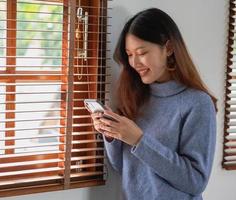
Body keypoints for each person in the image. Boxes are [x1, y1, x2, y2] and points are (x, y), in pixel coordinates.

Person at [91, 8, 217, 200]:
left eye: (142, 53)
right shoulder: (136, 98)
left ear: (169, 48)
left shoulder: (197, 103)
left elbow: (196, 181)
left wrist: (139, 141)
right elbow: (124, 169)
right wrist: (112, 134)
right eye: (129, 54)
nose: (134, 62)